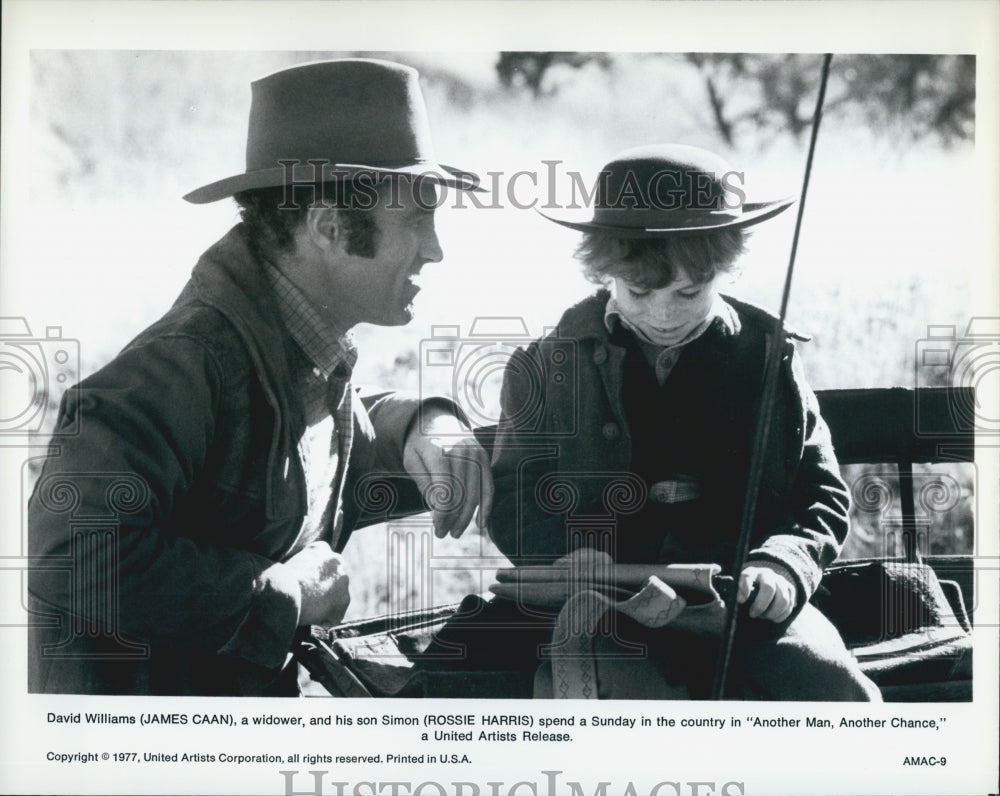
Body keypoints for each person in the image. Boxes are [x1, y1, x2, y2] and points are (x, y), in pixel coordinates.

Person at [27, 58, 493, 696]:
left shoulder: (300, 346)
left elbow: (311, 459)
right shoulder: (184, 364)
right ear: (330, 228)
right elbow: (68, 554)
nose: (435, 248)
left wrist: (424, 421)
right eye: (417, 220)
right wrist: (286, 595)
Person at [488, 144, 881, 700]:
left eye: (689, 292)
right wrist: (561, 554)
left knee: (830, 688)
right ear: (605, 272)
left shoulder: (768, 361)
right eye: (639, 291)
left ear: (723, 268)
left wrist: (784, 564)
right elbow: (512, 493)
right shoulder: (544, 366)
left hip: (740, 606)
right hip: (599, 602)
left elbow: (819, 492)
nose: (664, 313)